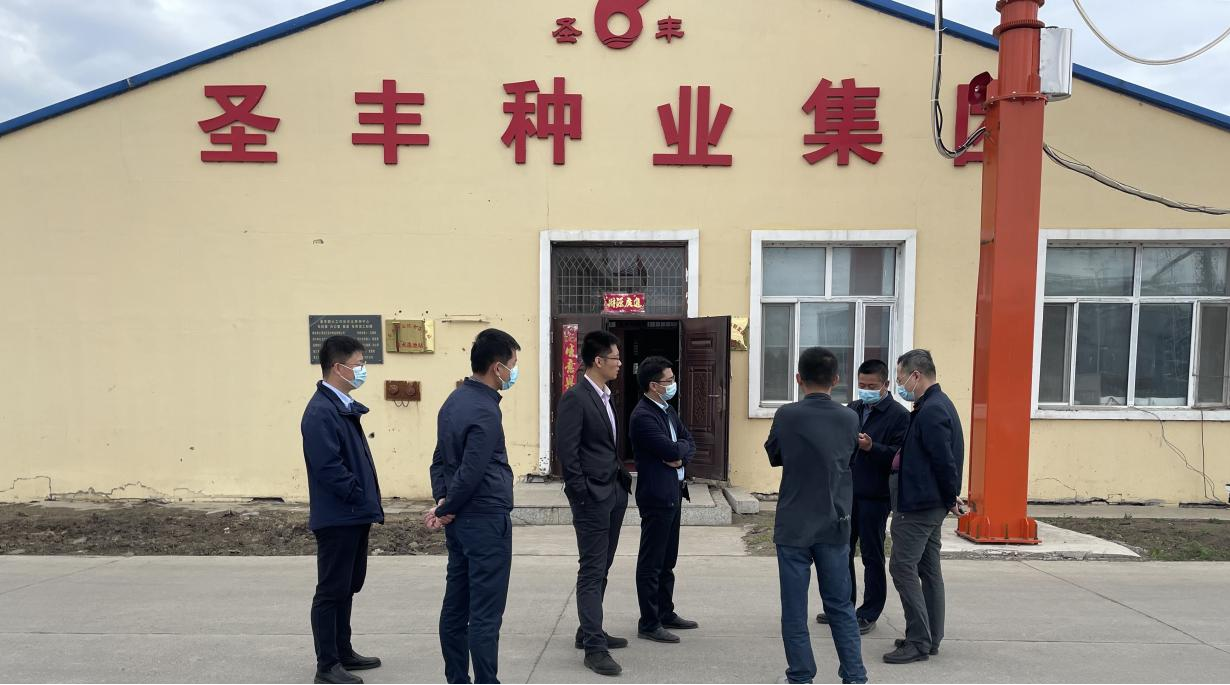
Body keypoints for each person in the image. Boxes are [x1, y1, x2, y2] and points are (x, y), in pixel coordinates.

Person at [765, 347, 867, 685]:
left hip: (794, 522)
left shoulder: (786, 415)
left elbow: (774, 454)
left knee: (794, 610)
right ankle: (855, 676)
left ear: (798, 378)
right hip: (835, 520)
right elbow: (849, 458)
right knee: (840, 606)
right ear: (836, 380)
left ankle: (801, 675)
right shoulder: (850, 417)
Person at [426, 329, 521, 685]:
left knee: (456, 605)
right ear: (497, 367)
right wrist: (446, 505)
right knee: (485, 613)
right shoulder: (485, 410)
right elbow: (473, 469)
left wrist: (443, 501)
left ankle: (457, 678)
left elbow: (439, 460)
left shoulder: (453, 401)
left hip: (461, 519)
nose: (514, 372)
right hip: (485, 519)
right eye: (513, 364)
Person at [301, 335, 385, 685]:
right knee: (331, 590)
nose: (362, 370)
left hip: (353, 514)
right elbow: (329, 468)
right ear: (338, 368)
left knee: (347, 586)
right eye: (359, 364)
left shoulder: (341, 406)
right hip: (339, 516)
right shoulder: (321, 412)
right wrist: (357, 495)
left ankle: (343, 650)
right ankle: (327, 665)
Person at [555, 330, 634, 677]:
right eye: (615, 358)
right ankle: (594, 648)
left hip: (612, 491)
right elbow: (567, 452)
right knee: (591, 569)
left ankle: (589, 629)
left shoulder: (605, 396)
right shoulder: (576, 398)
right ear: (598, 361)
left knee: (603, 566)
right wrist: (582, 494)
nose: (620, 364)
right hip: (592, 498)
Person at [883, 349, 966, 665]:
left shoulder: (932, 410)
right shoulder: (936, 404)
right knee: (928, 569)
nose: (899, 384)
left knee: (902, 567)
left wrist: (950, 497)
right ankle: (930, 637)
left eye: (900, 377)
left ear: (915, 375)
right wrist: (948, 497)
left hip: (919, 505)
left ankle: (918, 640)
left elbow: (943, 460)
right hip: (928, 502)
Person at [816, 359, 910, 635]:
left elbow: (899, 456)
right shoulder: (853, 409)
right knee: (841, 551)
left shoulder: (898, 415)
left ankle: (869, 612)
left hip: (875, 496)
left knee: (872, 555)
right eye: (861, 385)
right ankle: (843, 606)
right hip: (846, 493)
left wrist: (872, 447)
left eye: (872, 386)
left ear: (886, 384)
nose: (866, 390)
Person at [629, 356, 699, 645]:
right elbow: (669, 450)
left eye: (673, 379)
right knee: (652, 561)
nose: (673, 385)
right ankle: (649, 621)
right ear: (653, 385)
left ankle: (665, 612)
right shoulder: (643, 416)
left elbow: (688, 442)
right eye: (668, 381)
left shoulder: (667, 409)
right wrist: (677, 452)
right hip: (657, 496)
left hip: (673, 492)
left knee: (668, 559)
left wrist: (680, 455)